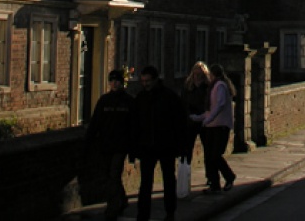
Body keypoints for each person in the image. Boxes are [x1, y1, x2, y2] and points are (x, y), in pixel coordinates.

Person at [131, 65, 188, 221]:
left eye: (148, 81)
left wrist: (182, 146)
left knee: (168, 180)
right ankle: (143, 214)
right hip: (147, 147)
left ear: (155, 80)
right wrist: (134, 148)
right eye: (143, 81)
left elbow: (181, 123)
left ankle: (170, 212)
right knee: (145, 183)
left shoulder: (169, 97)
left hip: (166, 146)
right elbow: (135, 125)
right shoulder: (141, 98)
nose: (145, 84)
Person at [84, 69, 134, 221]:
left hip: (121, 146)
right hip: (106, 145)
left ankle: (112, 208)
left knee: (114, 174)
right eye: (112, 81)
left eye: (117, 80)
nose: (114, 83)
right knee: (109, 176)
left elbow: (134, 126)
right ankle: (122, 199)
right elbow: (95, 123)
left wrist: (132, 150)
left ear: (122, 82)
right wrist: (89, 141)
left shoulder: (129, 101)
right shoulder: (104, 101)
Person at [192, 63, 238, 194]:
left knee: (215, 155)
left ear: (212, 75)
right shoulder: (213, 87)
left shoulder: (220, 86)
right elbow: (210, 110)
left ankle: (229, 176)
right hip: (212, 126)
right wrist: (197, 118)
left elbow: (220, 105)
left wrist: (208, 119)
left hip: (221, 126)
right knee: (209, 156)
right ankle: (214, 183)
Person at [182, 61, 211, 188]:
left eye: (200, 74)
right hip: (191, 121)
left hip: (204, 121)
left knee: (208, 150)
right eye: (196, 74)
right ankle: (185, 175)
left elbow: (209, 104)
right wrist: (189, 115)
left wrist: (203, 115)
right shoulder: (188, 86)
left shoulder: (207, 87)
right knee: (187, 149)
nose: (198, 77)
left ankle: (210, 176)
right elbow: (184, 102)